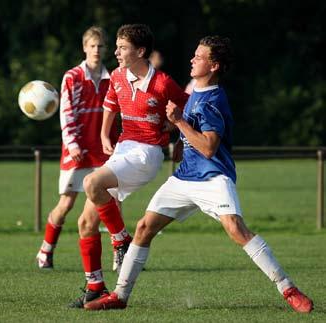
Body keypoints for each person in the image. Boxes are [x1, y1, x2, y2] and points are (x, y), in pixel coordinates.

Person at [83, 35, 314, 314]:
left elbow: (208, 147)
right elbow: (190, 132)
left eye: (199, 57)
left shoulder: (213, 100)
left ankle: (288, 288)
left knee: (236, 229)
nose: (192, 60)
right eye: (193, 55)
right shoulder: (196, 93)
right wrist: (180, 136)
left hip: (213, 176)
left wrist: (179, 121)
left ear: (214, 66)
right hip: (184, 178)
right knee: (144, 228)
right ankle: (119, 295)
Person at [70, 23, 188, 308]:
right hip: (123, 151)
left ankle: (121, 239)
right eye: (118, 47)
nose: (116, 52)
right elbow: (110, 104)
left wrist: (184, 139)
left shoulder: (162, 82)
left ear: (141, 51)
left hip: (147, 154)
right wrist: (102, 133)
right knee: (85, 222)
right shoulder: (118, 76)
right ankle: (95, 286)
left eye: (123, 48)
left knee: (91, 183)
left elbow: (189, 108)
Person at [36, 26, 119, 271]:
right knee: (66, 204)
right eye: (92, 45)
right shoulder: (72, 76)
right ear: (84, 48)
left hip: (105, 150)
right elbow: (66, 112)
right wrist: (72, 144)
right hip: (78, 151)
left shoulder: (112, 77)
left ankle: (119, 255)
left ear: (105, 49)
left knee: (113, 200)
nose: (96, 50)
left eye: (100, 46)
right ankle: (46, 250)